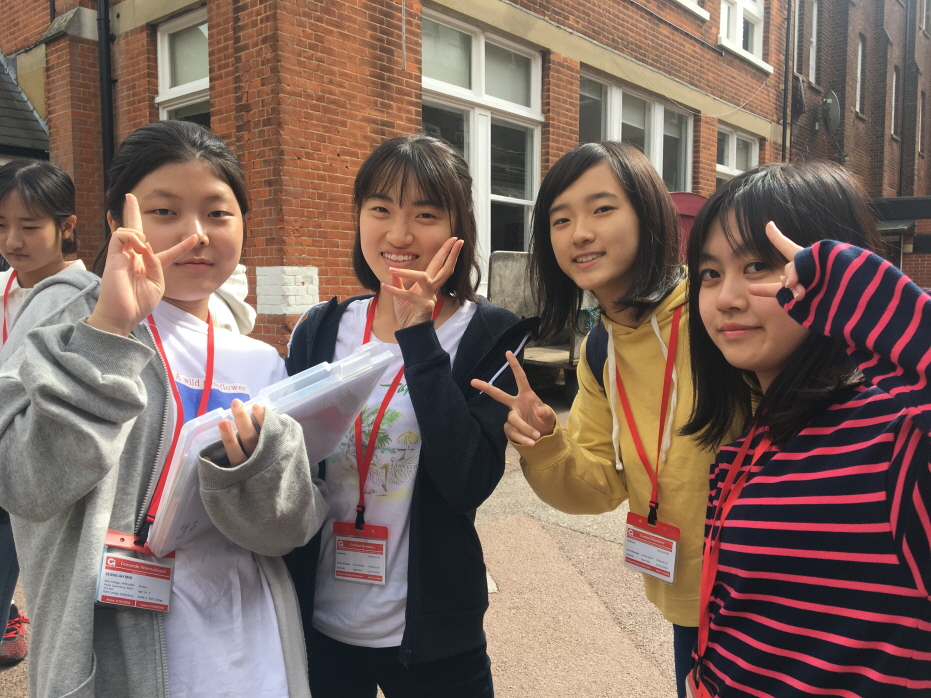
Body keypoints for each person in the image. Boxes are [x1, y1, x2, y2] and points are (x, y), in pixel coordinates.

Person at [0, 120, 328, 698]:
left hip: (252, 652)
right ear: (117, 223)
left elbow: (287, 532)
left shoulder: (260, 360)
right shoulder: (68, 317)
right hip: (116, 660)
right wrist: (108, 330)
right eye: (164, 211)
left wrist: (257, 470)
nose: (195, 234)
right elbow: (22, 483)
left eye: (218, 213)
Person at [472, 141, 732, 697]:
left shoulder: (717, 311)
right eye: (560, 220)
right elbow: (598, 483)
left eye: (602, 209)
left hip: (773, 598)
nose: (580, 234)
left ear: (649, 214)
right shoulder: (601, 347)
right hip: (686, 605)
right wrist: (545, 442)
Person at [285, 133, 533, 698]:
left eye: (424, 214)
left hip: (433, 636)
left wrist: (419, 336)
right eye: (380, 210)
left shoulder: (488, 334)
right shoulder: (320, 329)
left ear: (457, 227)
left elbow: (467, 482)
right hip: (317, 626)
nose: (399, 235)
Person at [681, 161, 930, 697]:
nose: (726, 298)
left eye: (758, 266)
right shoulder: (753, 443)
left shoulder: (894, 442)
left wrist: (862, 297)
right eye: (710, 273)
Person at [0, 159, 85, 664]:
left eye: (30, 226)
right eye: (1, 224)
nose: (13, 240)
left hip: (39, 474)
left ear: (66, 226)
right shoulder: (2, 289)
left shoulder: (91, 300)